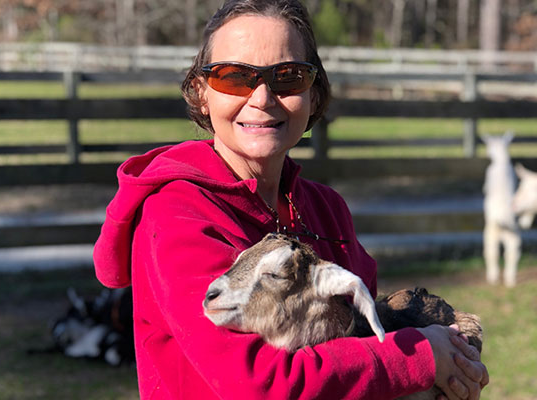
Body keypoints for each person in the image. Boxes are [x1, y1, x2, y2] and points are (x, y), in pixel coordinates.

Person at [93, 0, 489, 398]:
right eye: (234, 77)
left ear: (314, 96)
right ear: (201, 94)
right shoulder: (177, 214)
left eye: (288, 76)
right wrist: (421, 358)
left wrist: (453, 363)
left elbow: (361, 342)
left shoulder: (325, 210)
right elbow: (259, 383)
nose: (262, 98)